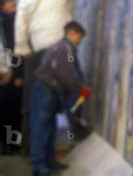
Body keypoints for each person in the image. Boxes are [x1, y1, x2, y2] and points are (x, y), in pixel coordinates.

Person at [13, 0, 108, 155]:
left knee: (39, 101)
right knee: (72, 88)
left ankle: (34, 150)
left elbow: (20, 18)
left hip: (37, 49)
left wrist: (22, 47)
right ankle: (73, 131)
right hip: (59, 44)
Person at [30, 21, 89, 176]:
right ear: (72, 33)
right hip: (46, 91)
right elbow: (67, 75)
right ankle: (39, 166)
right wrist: (80, 90)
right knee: (42, 128)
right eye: (80, 37)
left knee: (48, 128)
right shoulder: (64, 49)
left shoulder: (63, 47)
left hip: (49, 90)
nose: (80, 42)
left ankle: (49, 163)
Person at [0, 0, 23, 155]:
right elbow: (14, 50)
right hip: (8, 76)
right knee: (11, 112)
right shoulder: (9, 23)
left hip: (10, 75)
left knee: (11, 111)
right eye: (12, 6)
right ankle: (10, 146)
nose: (15, 10)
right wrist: (17, 74)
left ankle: (9, 145)